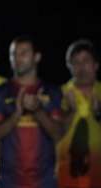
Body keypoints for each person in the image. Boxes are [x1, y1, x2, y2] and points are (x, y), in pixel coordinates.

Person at [0, 36, 62, 188]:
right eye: (13, 54)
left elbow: (58, 134)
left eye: (23, 53)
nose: (17, 58)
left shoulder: (52, 91)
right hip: (9, 181)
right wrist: (17, 114)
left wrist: (37, 110)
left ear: (37, 57)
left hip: (45, 181)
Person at [57, 39, 101, 188]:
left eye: (86, 61)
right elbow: (53, 134)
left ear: (96, 64)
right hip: (66, 177)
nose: (81, 67)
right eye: (75, 62)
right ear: (69, 66)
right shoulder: (59, 94)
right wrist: (69, 111)